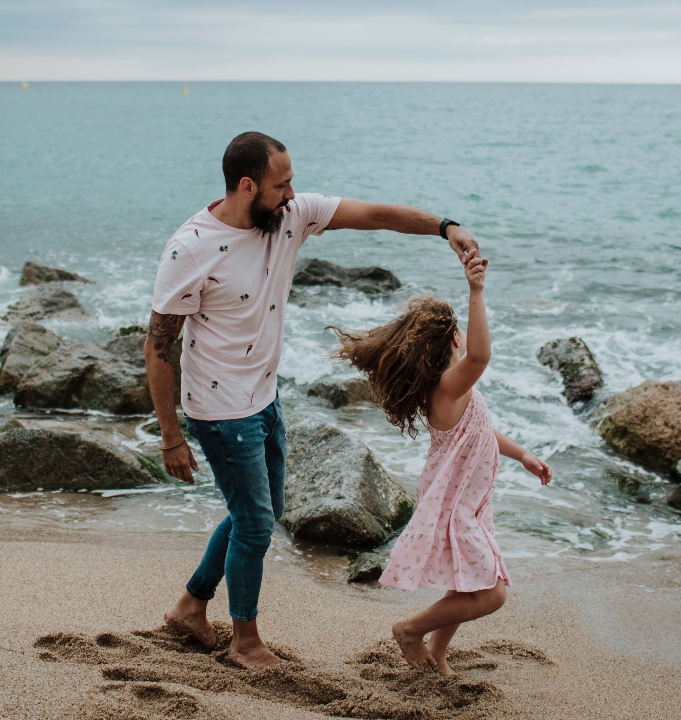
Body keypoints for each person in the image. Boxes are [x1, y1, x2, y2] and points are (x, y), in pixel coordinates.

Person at [145, 131, 480, 670]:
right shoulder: (192, 248)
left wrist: (446, 228)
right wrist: (170, 435)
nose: (293, 193)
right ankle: (245, 642)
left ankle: (189, 607)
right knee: (255, 524)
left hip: (263, 398)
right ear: (248, 185)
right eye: (282, 185)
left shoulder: (290, 215)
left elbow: (373, 214)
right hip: (219, 410)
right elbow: (159, 345)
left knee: (260, 512)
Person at [327, 251, 553, 675]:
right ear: (452, 341)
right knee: (491, 593)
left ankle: (438, 651)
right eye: (461, 332)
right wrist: (476, 290)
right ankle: (411, 630)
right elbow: (481, 357)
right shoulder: (448, 388)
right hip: (456, 506)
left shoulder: (451, 393)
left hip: (467, 504)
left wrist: (522, 454)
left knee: (463, 583)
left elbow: (481, 431)